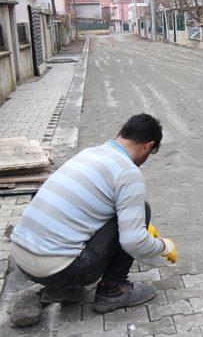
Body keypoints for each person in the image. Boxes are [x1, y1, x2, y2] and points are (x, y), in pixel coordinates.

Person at [10, 114, 178, 314]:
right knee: (142, 209)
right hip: (56, 268)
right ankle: (112, 291)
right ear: (148, 146)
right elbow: (133, 242)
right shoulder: (127, 172)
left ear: (121, 134)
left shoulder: (89, 153)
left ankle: (64, 289)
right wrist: (164, 247)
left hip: (21, 258)